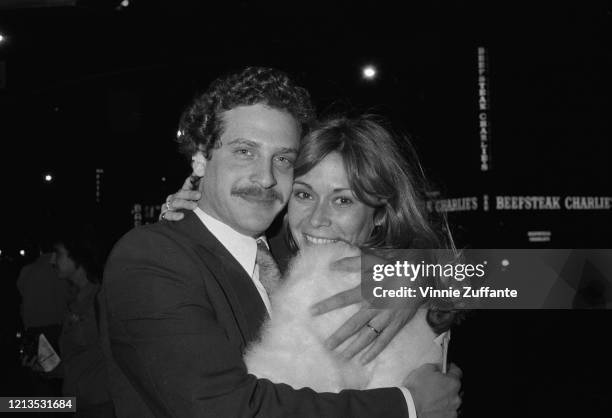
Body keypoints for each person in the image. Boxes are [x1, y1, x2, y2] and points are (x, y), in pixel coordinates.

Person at [101, 67, 461, 417]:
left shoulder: (295, 256)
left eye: (283, 159)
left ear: (380, 211)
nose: (265, 177)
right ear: (201, 158)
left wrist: (419, 273)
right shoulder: (154, 257)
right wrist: (408, 405)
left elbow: (512, 279)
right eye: (245, 151)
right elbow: (224, 407)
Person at [50, 225, 116, 417]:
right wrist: (52, 368)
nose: (52, 261)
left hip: (101, 404)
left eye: (58, 253)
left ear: (78, 257)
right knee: (13, 405)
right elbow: (77, 360)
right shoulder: (73, 299)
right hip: (73, 402)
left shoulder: (101, 298)